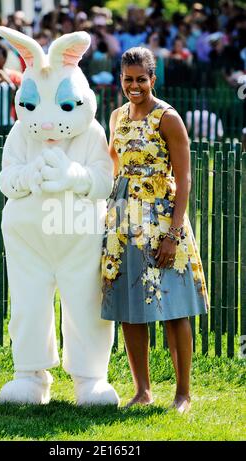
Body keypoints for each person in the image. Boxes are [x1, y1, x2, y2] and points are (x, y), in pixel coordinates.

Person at [101, 47, 209, 413]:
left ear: (153, 79)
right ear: (121, 79)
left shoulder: (168, 118)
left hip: (163, 221)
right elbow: (113, 168)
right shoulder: (116, 117)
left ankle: (183, 394)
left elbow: (185, 178)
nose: (134, 86)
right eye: (128, 79)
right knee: (130, 308)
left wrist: (173, 234)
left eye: (141, 79)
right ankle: (143, 390)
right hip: (124, 223)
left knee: (175, 308)